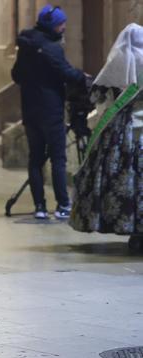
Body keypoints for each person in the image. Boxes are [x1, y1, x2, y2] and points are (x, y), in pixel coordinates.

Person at [70, 23, 143, 253]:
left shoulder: (119, 61)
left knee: (124, 177)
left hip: (123, 127)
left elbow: (99, 93)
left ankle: (130, 227)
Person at [11, 5, 86, 220]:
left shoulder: (26, 46)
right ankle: (63, 205)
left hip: (30, 110)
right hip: (51, 110)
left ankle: (40, 207)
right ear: (53, 26)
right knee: (58, 159)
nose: (64, 27)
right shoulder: (51, 47)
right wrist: (84, 77)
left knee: (35, 159)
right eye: (61, 24)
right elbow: (66, 73)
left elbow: (16, 76)